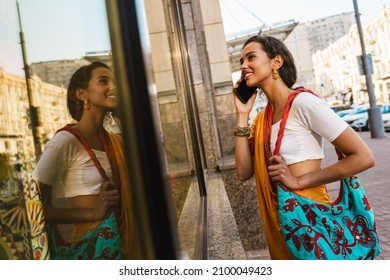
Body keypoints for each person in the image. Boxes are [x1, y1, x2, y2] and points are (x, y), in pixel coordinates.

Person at [233, 35, 375, 260]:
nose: (243, 66)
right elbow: (243, 172)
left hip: (311, 218)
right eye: (241, 60)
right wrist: (242, 115)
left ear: (276, 62)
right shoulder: (261, 119)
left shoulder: (303, 103)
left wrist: (297, 181)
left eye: (251, 57)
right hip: (282, 224)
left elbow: (363, 157)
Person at [33, 61, 134, 259]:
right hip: (87, 248)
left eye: (114, 82)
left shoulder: (112, 139)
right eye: (104, 81)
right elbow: (31, 207)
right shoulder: (65, 141)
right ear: (82, 94)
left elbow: (141, 160)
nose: (113, 87)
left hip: (118, 243)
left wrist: (120, 113)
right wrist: (93, 213)